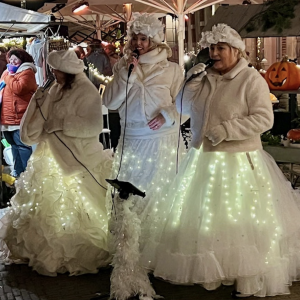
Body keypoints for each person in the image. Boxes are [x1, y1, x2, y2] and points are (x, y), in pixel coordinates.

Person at [141, 23, 300, 297]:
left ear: (236, 51)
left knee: (237, 226)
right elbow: (183, 108)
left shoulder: (251, 80)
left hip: (237, 161)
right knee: (205, 221)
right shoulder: (205, 76)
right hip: (203, 158)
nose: (214, 53)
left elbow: (265, 119)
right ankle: (211, 273)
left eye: (221, 48)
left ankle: (244, 276)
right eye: (212, 48)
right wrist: (191, 81)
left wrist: (227, 130)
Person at [0, 50, 113, 276]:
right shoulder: (55, 89)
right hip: (48, 156)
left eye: (56, 70)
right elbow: (38, 122)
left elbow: (91, 127)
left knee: (78, 206)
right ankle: (36, 249)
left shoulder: (86, 92)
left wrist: (61, 124)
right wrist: (38, 99)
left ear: (67, 71)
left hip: (76, 159)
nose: (52, 73)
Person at [103, 13, 184, 250]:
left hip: (163, 142)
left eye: (144, 39)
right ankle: (130, 246)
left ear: (155, 41)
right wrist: (126, 76)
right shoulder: (123, 67)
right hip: (132, 140)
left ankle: (161, 247)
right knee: (130, 194)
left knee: (160, 195)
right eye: (135, 38)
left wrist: (168, 115)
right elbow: (109, 102)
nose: (139, 43)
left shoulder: (172, 69)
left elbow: (186, 105)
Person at [0, 48, 37, 178]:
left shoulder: (27, 72)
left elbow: (19, 88)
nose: (12, 61)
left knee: (22, 147)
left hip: (19, 118)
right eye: (10, 59)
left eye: (15, 59)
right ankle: (18, 173)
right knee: (14, 146)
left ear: (22, 59)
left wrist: (10, 75)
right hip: (7, 118)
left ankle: (28, 175)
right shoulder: (7, 72)